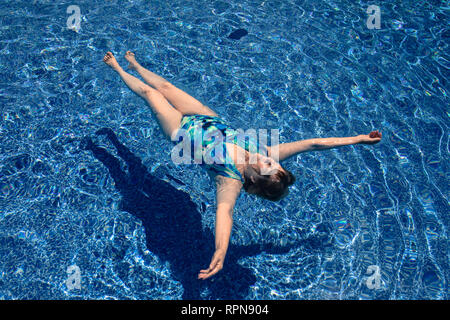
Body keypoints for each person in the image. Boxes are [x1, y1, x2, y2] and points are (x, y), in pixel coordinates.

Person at [102, 51, 382, 280]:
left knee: (151, 97)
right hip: (207, 118)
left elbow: (224, 214)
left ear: (255, 179)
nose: (268, 157)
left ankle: (118, 70)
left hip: (180, 133)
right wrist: (357, 139)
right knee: (165, 88)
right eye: (272, 161)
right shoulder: (264, 154)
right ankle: (135, 65)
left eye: (267, 163)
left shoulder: (230, 182)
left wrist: (221, 252)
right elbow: (314, 144)